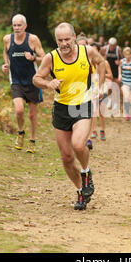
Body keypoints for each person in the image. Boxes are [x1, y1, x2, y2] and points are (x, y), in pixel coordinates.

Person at [33, 22, 106, 211]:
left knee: (78, 145)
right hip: (61, 109)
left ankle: (86, 172)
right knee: (66, 157)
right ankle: (81, 191)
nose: (64, 43)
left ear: (74, 37)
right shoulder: (51, 58)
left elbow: (101, 63)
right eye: (60, 40)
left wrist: (100, 86)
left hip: (82, 105)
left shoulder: (87, 51)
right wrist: (48, 84)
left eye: (67, 39)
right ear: (56, 41)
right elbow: (36, 79)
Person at [2, 14, 45, 153]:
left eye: (19, 25)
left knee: (32, 115)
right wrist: (5, 64)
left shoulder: (33, 39)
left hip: (33, 81)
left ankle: (32, 140)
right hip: (16, 81)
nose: (16, 28)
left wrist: (33, 58)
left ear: (25, 26)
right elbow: (5, 53)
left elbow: (44, 58)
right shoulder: (7, 39)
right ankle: (21, 133)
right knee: (19, 110)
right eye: (14, 25)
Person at [100, 37, 123, 110]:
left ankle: (116, 102)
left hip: (115, 69)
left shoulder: (118, 49)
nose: (112, 46)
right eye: (111, 45)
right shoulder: (105, 48)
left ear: (116, 44)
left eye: (113, 45)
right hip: (108, 69)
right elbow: (100, 56)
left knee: (116, 87)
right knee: (109, 86)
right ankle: (110, 100)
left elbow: (122, 59)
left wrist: (119, 62)